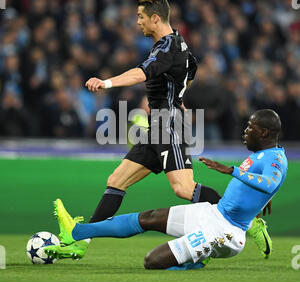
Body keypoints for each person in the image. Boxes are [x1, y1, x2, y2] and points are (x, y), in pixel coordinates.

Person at [50, 0, 205, 260]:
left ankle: (244, 219)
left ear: (155, 18)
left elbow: (139, 73)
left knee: (182, 188)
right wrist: (178, 98)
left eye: (141, 17)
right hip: (158, 125)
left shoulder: (166, 47)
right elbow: (190, 73)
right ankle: (81, 240)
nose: (137, 22)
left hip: (168, 124)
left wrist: (106, 83)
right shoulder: (180, 46)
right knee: (116, 181)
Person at [45, 109, 287, 269]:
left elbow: (271, 182)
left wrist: (232, 171)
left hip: (226, 232)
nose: (245, 131)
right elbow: (264, 184)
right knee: (149, 217)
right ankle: (76, 232)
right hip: (212, 213)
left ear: (264, 132)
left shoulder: (275, 159)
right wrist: (261, 196)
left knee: (152, 261)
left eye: (250, 127)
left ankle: (195, 261)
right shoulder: (263, 155)